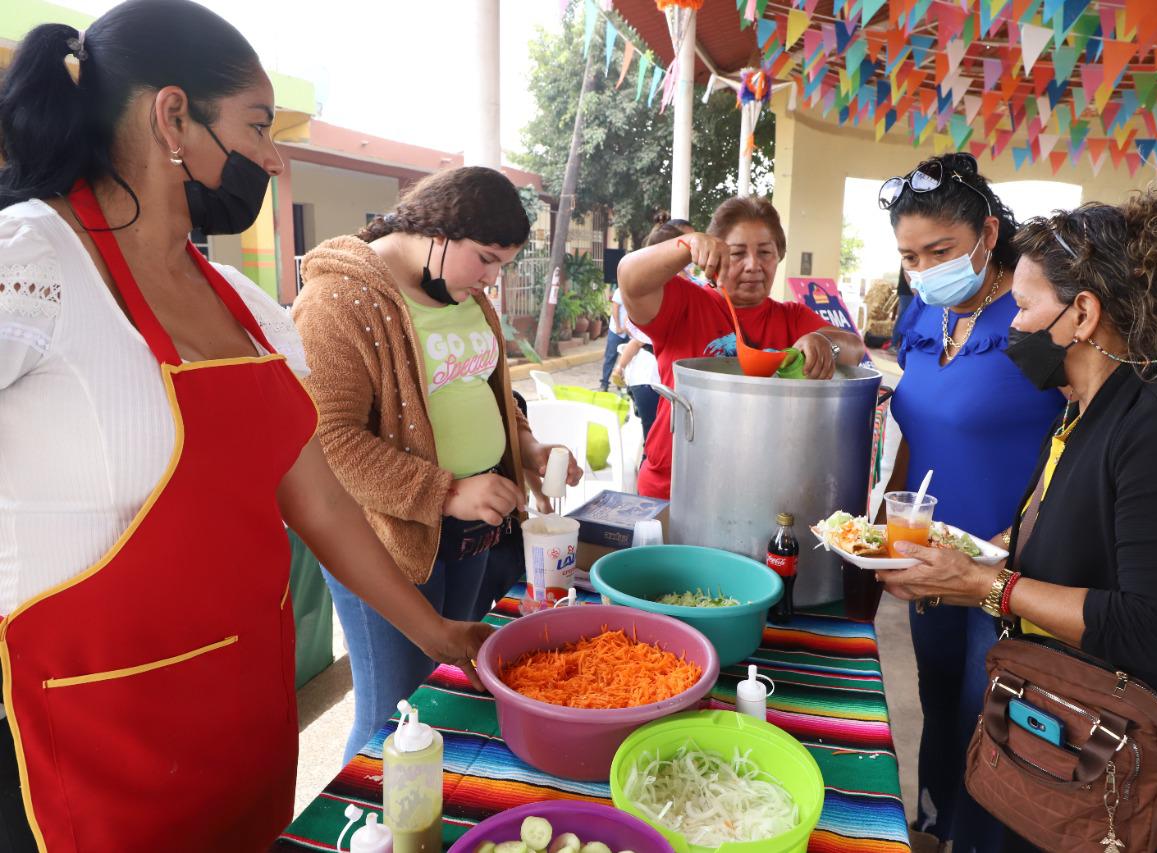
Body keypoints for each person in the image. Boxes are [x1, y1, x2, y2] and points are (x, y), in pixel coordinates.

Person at [0, 2, 492, 849]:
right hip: (93, 735)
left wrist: (440, 632)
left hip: (240, 723)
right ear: (173, 117)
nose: (271, 155)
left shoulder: (251, 310)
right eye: (258, 125)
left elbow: (324, 505)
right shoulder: (31, 264)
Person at [879, 190, 1157, 852]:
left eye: (1027, 306)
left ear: (1083, 313)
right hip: (1080, 730)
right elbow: (1077, 545)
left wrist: (987, 586)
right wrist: (970, 563)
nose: (1014, 325)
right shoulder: (1087, 412)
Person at [292, 167, 582, 764]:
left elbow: (488, 388)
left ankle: (427, 807)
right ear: (438, 232)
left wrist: (526, 450)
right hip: (388, 539)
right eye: (486, 259)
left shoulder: (464, 294)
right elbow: (330, 442)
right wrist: (447, 491)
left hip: (473, 532)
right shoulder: (338, 301)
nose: (491, 280)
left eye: (502, 264)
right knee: (393, 713)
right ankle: (370, 826)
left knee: (448, 685)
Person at [878, 152, 1064, 851]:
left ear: (987, 235)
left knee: (990, 725)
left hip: (1003, 571)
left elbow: (1078, 435)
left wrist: (1010, 554)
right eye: (909, 256)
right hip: (929, 562)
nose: (923, 269)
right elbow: (914, 427)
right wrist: (882, 526)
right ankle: (932, 826)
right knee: (937, 704)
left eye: (939, 251)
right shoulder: (921, 319)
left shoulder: (1033, 321)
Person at [617, 197, 866, 499]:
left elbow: (853, 347)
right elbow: (629, 279)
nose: (753, 266)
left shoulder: (791, 317)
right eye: (737, 254)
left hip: (759, 491)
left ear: (779, 256)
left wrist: (825, 343)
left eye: (765, 253)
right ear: (713, 256)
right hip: (674, 486)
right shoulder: (684, 303)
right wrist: (686, 244)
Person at [610, 219, 697, 442]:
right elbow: (638, 340)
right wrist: (619, 368)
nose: (697, 249)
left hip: (656, 380)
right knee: (654, 440)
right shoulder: (655, 294)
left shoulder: (693, 289)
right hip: (649, 380)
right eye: (689, 244)